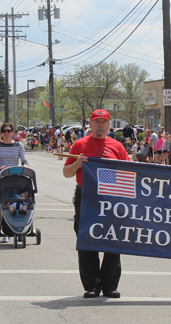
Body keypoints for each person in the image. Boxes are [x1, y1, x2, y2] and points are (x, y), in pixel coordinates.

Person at [63, 109, 130, 299]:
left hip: (111, 199)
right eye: (97, 122)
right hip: (86, 198)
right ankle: (91, 285)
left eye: (104, 122)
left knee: (112, 241)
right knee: (86, 240)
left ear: (109, 126)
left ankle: (109, 285)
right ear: (90, 125)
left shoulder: (117, 146)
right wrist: (77, 164)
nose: (100, 126)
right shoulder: (79, 144)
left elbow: (128, 173)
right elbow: (67, 173)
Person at [0, 123, 29, 243]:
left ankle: (20, 225)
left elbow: (24, 160)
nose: (6, 133)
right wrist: (0, 169)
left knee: (20, 199)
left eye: (9, 131)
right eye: (4, 131)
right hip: (1, 178)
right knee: (4, 204)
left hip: (15, 177)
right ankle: (6, 232)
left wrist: (25, 167)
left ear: (13, 132)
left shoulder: (18, 145)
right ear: (1, 133)